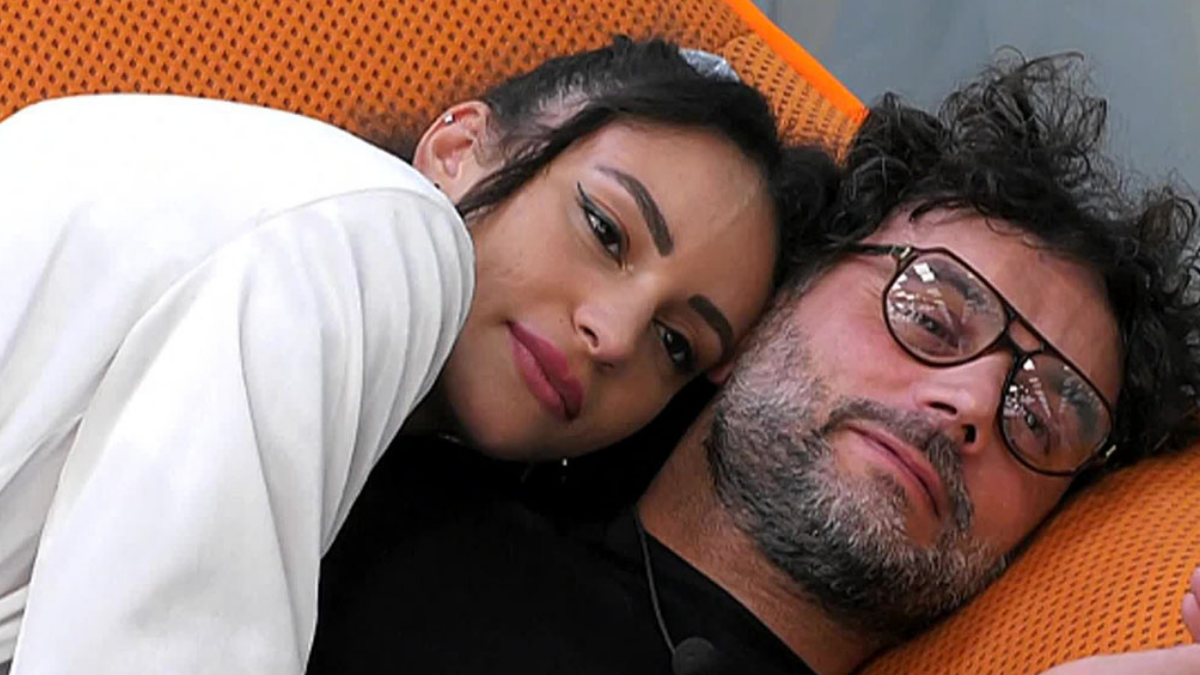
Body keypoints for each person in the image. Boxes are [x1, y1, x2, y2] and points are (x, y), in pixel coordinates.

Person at [306, 52, 1200, 674]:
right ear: (764, 312)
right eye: (931, 314)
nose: (972, 401)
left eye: (1040, 419)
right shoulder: (384, 458)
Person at [0, 39, 838, 674]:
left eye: (675, 344)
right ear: (458, 147)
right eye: (604, 229)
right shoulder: (383, 231)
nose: (614, 335)